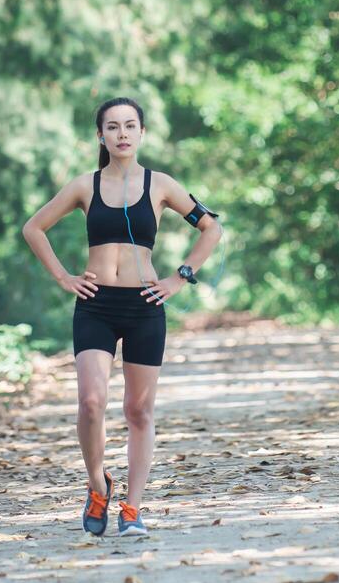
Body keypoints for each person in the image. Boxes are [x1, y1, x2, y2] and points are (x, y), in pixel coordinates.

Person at [21, 97, 223, 536]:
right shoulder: (85, 186)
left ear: (142, 133)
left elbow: (212, 228)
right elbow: (33, 228)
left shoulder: (161, 185)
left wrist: (179, 277)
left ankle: (132, 508)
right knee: (91, 403)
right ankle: (98, 486)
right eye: (112, 127)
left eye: (130, 126)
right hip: (95, 304)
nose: (122, 134)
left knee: (138, 410)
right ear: (101, 136)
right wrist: (63, 277)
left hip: (145, 306)